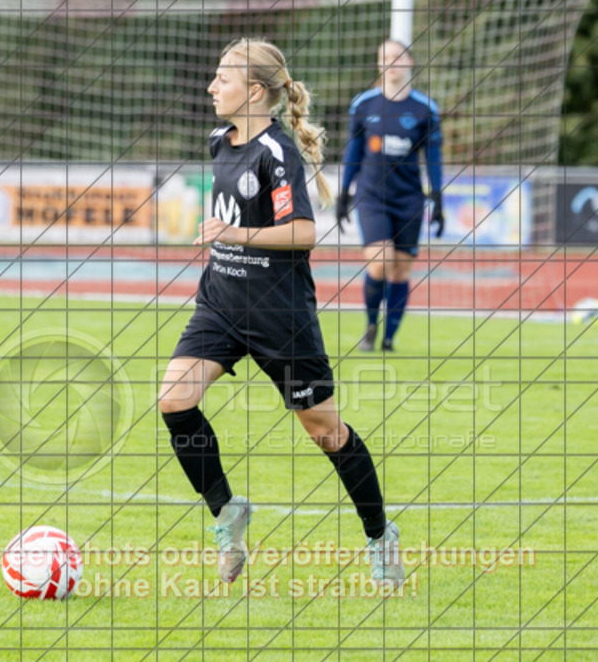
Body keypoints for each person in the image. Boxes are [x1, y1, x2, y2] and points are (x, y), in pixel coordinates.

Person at [157, 37, 404, 586]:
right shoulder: (221, 141)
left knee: (325, 431)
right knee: (175, 398)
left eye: (222, 77)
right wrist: (227, 243)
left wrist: (234, 233)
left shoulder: (277, 153)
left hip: (279, 316)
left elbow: (304, 233)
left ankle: (380, 535)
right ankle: (227, 514)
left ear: (255, 90)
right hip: (220, 304)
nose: (211, 86)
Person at [336, 40, 445, 352]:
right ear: (378, 64)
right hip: (372, 197)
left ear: (409, 61)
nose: (391, 63)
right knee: (379, 262)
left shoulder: (426, 108)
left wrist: (437, 198)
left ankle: (388, 338)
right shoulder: (364, 104)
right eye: (385, 57)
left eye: (397, 57)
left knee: (400, 270)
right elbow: (353, 152)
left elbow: (433, 158)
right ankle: (371, 325)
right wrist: (344, 192)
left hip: (409, 198)